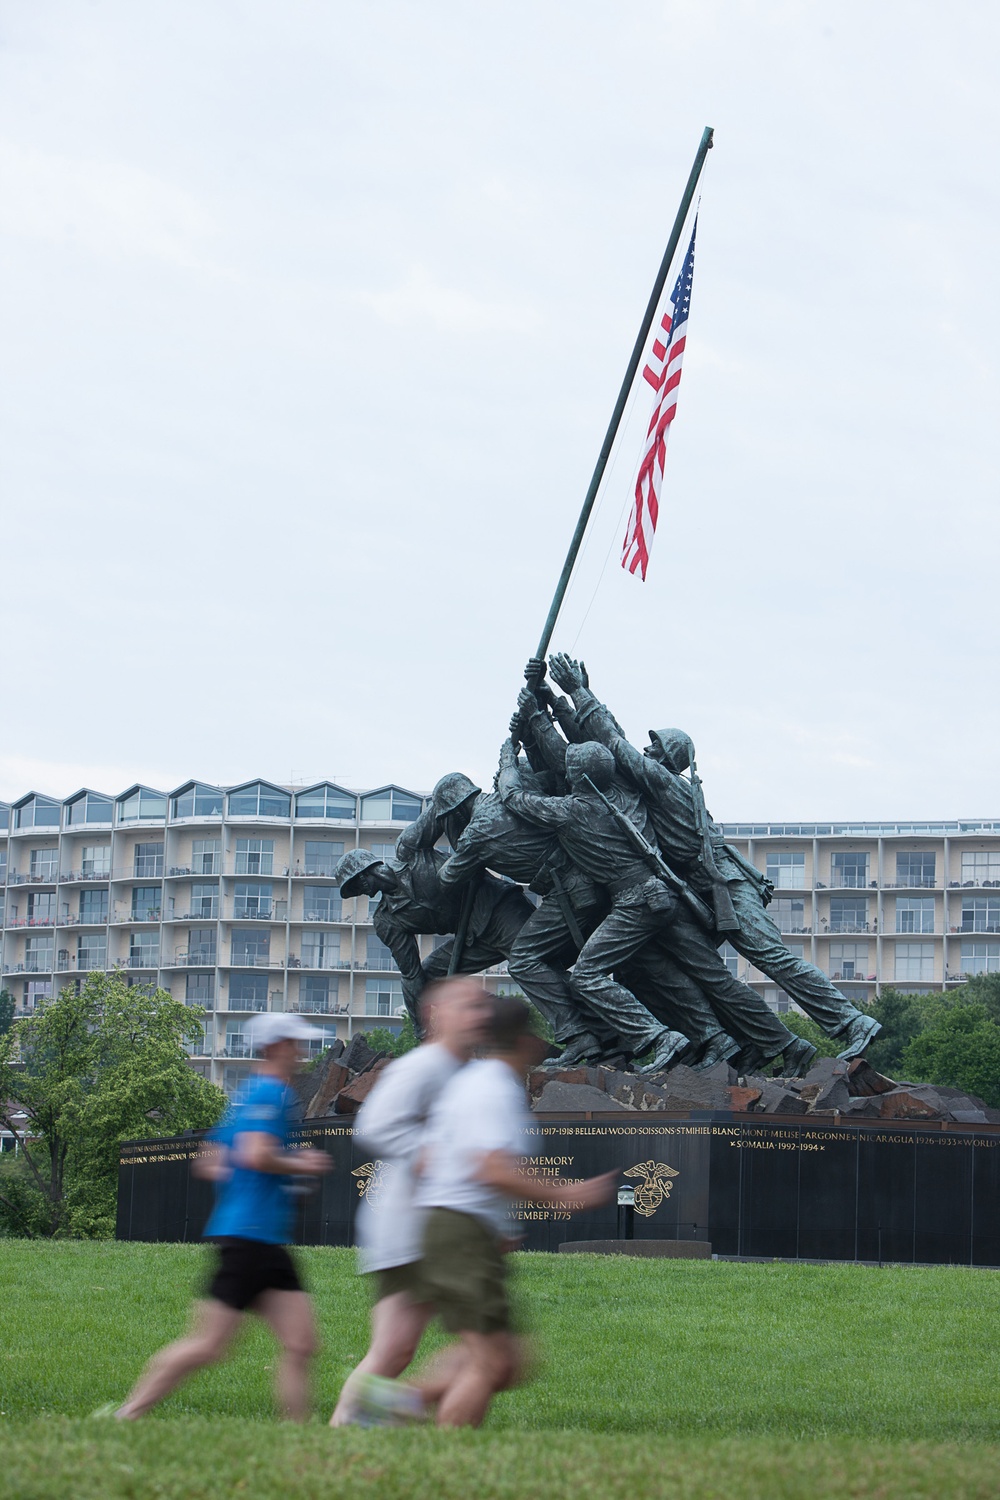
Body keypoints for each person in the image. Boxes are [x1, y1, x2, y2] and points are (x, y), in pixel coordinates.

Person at [545, 652, 879, 1062]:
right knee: (710, 975)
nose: (646, 751)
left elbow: (613, 742)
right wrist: (560, 704)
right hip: (703, 887)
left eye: (654, 746)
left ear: (669, 756)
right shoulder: (653, 785)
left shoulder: (664, 782)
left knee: (769, 956)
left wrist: (579, 690)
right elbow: (601, 752)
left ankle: (851, 1021)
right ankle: (764, 1045)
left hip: (726, 881)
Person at [357, 997, 616, 1428]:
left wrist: (500, 1222)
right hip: (457, 1232)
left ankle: (387, 1406)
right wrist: (565, 1194)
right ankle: (440, 1450)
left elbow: (479, 1163)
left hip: (460, 1230)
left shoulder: (479, 1082)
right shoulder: (492, 1088)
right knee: (492, 1362)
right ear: (528, 1042)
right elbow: (491, 1167)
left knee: (506, 1359)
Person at [111, 1013, 332, 1421]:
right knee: (210, 1345)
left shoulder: (246, 1096)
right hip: (250, 1238)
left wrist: (257, 1184)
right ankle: (129, 1413)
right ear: (275, 1047)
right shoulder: (270, 1093)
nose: (302, 1053)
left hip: (259, 1237)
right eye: (295, 1044)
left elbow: (210, 1161)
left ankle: (298, 1433)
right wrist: (303, 1165)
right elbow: (255, 1154)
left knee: (301, 1344)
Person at [330, 976, 493, 1426]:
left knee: (398, 1349)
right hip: (410, 1229)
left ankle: (366, 1418)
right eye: (467, 1006)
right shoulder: (423, 1067)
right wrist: (429, 1153)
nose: (479, 1015)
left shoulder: (469, 1073)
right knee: (483, 1349)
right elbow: (375, 1125)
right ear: (435, 1015)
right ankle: (375, 1417)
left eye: (483, 1006)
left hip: (435, 1230)